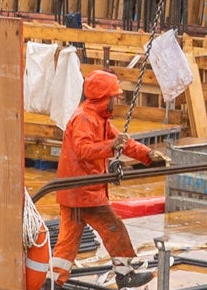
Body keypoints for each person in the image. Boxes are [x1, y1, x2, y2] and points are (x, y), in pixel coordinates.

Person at [54, 69, 153, 262]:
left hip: (80, 192)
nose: (114, 102)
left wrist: (147, 155)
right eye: (113, 97)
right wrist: (111, 146)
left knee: (67, 245)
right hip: (83, 192)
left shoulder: (99, 119)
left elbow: (123, 142)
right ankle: (126, 271)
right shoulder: (84, 119)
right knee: (114, 228)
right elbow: (84, 151)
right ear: (103, 97)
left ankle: (53, 281)